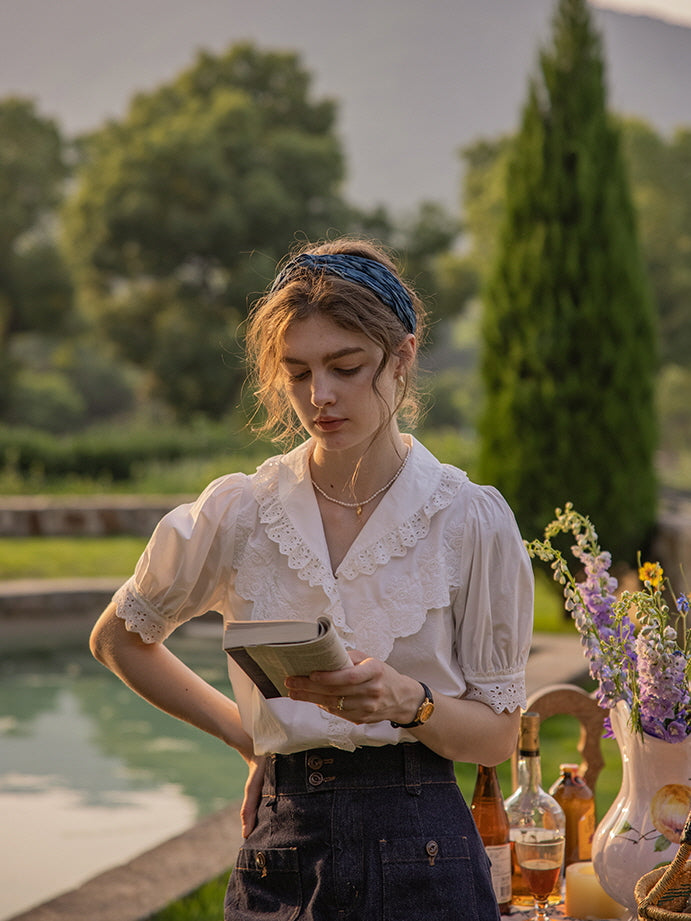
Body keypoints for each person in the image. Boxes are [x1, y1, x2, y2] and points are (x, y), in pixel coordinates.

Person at [90, 237, 534, 920]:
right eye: (296, 372)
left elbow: (497, 738)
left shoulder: (466, 518)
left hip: (426, 849)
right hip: (280, 847)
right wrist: (247, 735)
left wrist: (406, 699)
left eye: (345, 366)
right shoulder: (240, 512)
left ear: (402, 356)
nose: (318, 395)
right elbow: (119, 639)